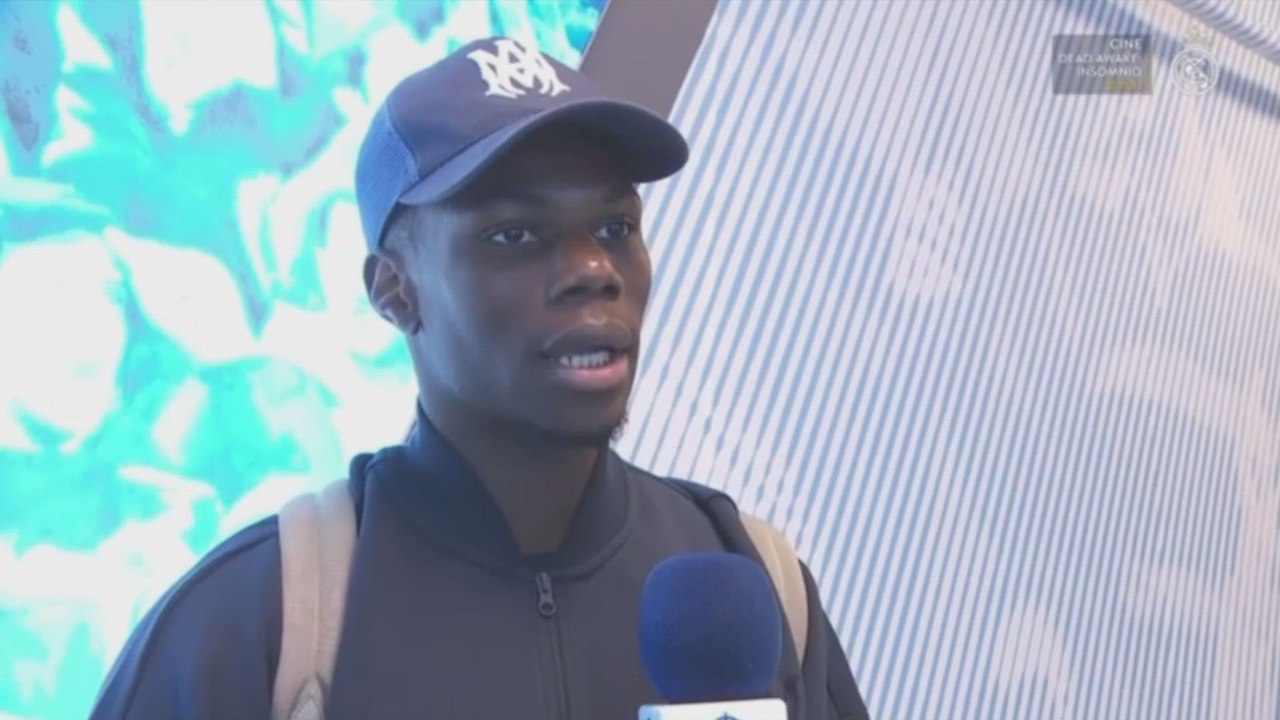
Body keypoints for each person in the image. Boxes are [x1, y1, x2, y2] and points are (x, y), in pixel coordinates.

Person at [89, 36, 870, 719]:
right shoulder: (251, 628)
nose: (595, 271)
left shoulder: (754, 589)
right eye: (514, 233)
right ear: (394, 289)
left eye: (614, 227)